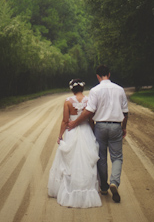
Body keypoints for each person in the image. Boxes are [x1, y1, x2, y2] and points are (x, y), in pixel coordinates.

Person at [68, 65, 129, 203]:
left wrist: (75, 122)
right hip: (115, 126)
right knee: (117, 157)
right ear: (109, 74)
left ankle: (104, 187)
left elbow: (89, 111)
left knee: (101, 157)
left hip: (100, 126)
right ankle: (114, 182)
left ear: (97, 76)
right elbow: (125, 112)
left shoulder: (95, 91)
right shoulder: (119, 90)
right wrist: (123, 127)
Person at [47, 79, 101, 208]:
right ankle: (87, 187)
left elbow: (65, 121)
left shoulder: (67, 102)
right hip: (86, 130)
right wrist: (93, 132)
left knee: (70, 161)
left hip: (72, 131)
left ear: (72, 89)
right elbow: (91, 119)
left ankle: (70, 188)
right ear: (82, 88)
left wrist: (60, 135)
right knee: (87, 160)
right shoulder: (88, 100)